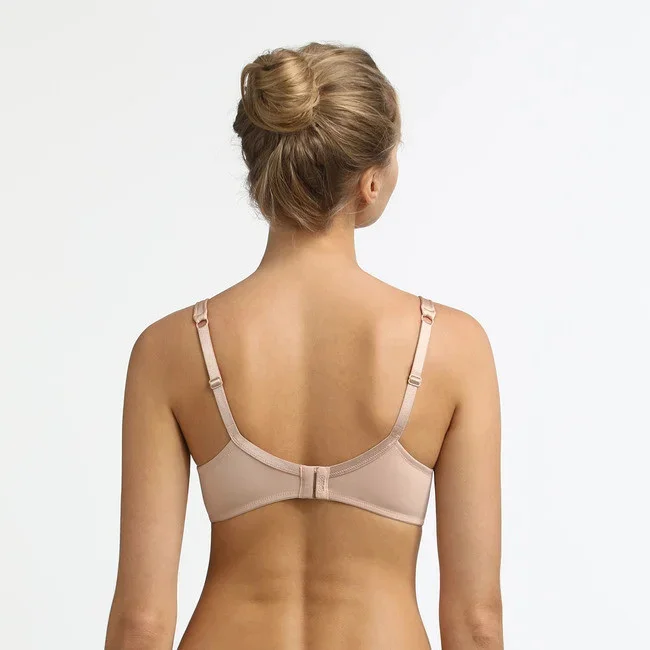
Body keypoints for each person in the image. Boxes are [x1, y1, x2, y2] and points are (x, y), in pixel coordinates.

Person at [104, 41, 503, 650]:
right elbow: (476, 621)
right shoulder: (453, 348)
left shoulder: (168, 351)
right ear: (370, 182)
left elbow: (142, 622)